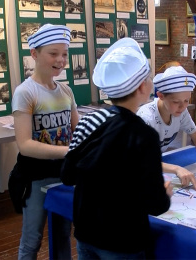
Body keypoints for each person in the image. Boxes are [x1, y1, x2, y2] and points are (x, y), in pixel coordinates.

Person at [60, 37, 172, 259]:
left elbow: (67, 175)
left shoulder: (87, 122)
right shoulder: (144, 136)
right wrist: (165, 194)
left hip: (86, 232)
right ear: (142, 87)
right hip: (123, 240)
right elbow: (155, 204)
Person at [11, 24, 79, 259]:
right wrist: (69, 151)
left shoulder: (66, 92)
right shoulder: (25, 93)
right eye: (53, 53)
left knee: (62, 237)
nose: (61, 60)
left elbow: (76, 131)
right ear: (34, 54)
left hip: (64, 175)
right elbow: (25, 144)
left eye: (64, 54)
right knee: (32, 240)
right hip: (37, 177)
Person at [137, 65, 196, 191]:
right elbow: (142, 160)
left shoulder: (182, 112)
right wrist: (176, 169)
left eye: (186, 100)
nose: (182, 107)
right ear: (161, 95)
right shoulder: (147, 118)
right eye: (176, 102)